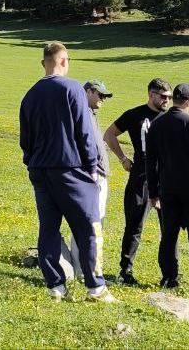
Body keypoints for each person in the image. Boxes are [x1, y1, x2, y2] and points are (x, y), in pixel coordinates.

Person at [18, 42, 116, 302]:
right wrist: (92, 166)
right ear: (64, 61)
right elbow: (84, 131)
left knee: (48, 228)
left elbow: (24, 139)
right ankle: (95, 287)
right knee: (88, 226)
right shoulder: (72, 88)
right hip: (71, 169)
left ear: (43, 63)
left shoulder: (29, 95)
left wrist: (32, 161)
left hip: (40, 169)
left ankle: (56, 286)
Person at [103, 77, 172, 284]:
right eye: (163, 97)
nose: (167, 101)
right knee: (134, 225)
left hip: (165, 178)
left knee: (168, 228)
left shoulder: (169, 118)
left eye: (169, 97)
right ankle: (126, 271)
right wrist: (123, 158)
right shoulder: (135, 115)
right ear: (151, 95)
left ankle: (169, 275)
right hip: (140, 177)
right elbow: (109, 134)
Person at [145, 83, 189, 290]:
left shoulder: (157, 124)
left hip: (168, 189)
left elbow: (151, 161)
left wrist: (154, 192)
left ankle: (168, 278)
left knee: (168, 236)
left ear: (173, 99)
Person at [64, 79, 114, 281]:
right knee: (87, 223)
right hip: (90, 175)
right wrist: (90, 171)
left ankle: (90, 268)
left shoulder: (91, 114)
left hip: (98, 176)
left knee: (96, 223)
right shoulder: (81, 112)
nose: (103, 99)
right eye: (100, 94)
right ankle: (83, 270)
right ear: (87, 92)